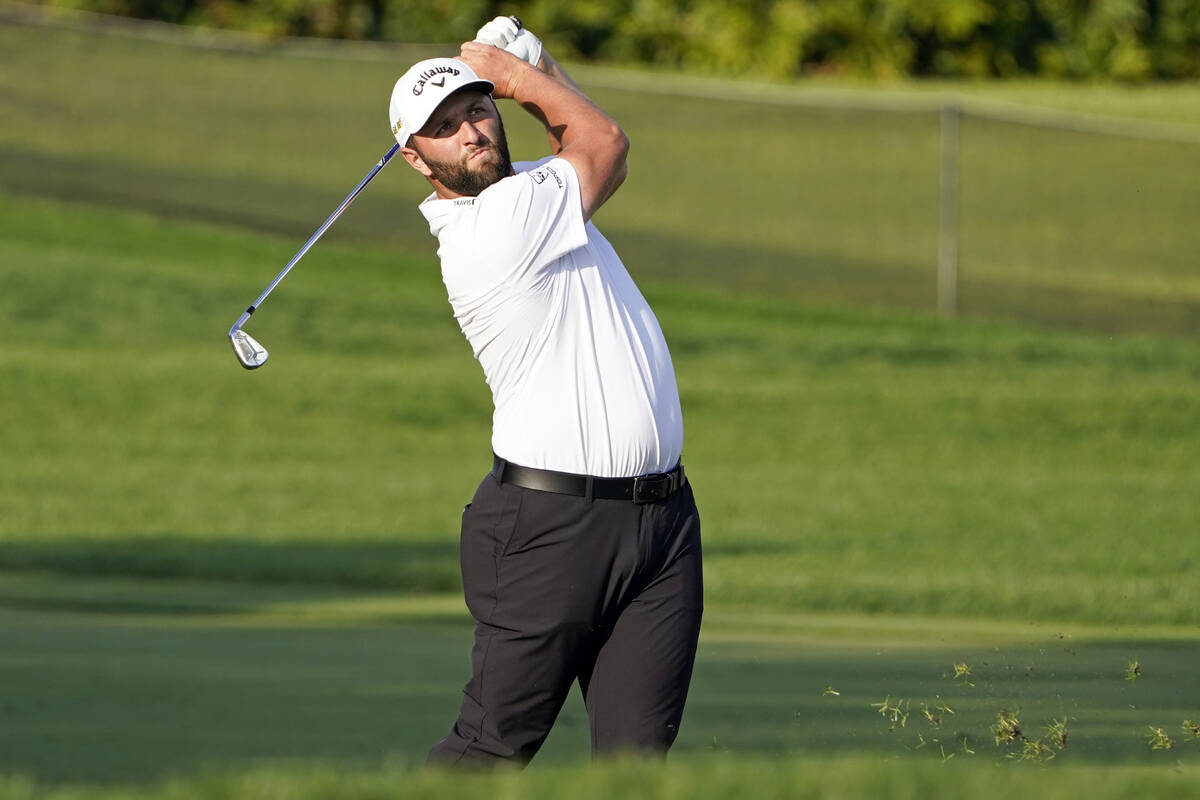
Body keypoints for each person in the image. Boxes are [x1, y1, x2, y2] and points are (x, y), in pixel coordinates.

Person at [388, 16, 703, 767]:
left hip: (660, 524)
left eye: (475, 107)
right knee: (492, 747)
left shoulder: (533, 189)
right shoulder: (492, 228)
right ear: (415, 158)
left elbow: (574, 139)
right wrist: (520, 77)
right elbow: (605, 146)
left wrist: (534, 64)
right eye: (443, 127)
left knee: (636, 765)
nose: (469, 130)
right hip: (548, 527)